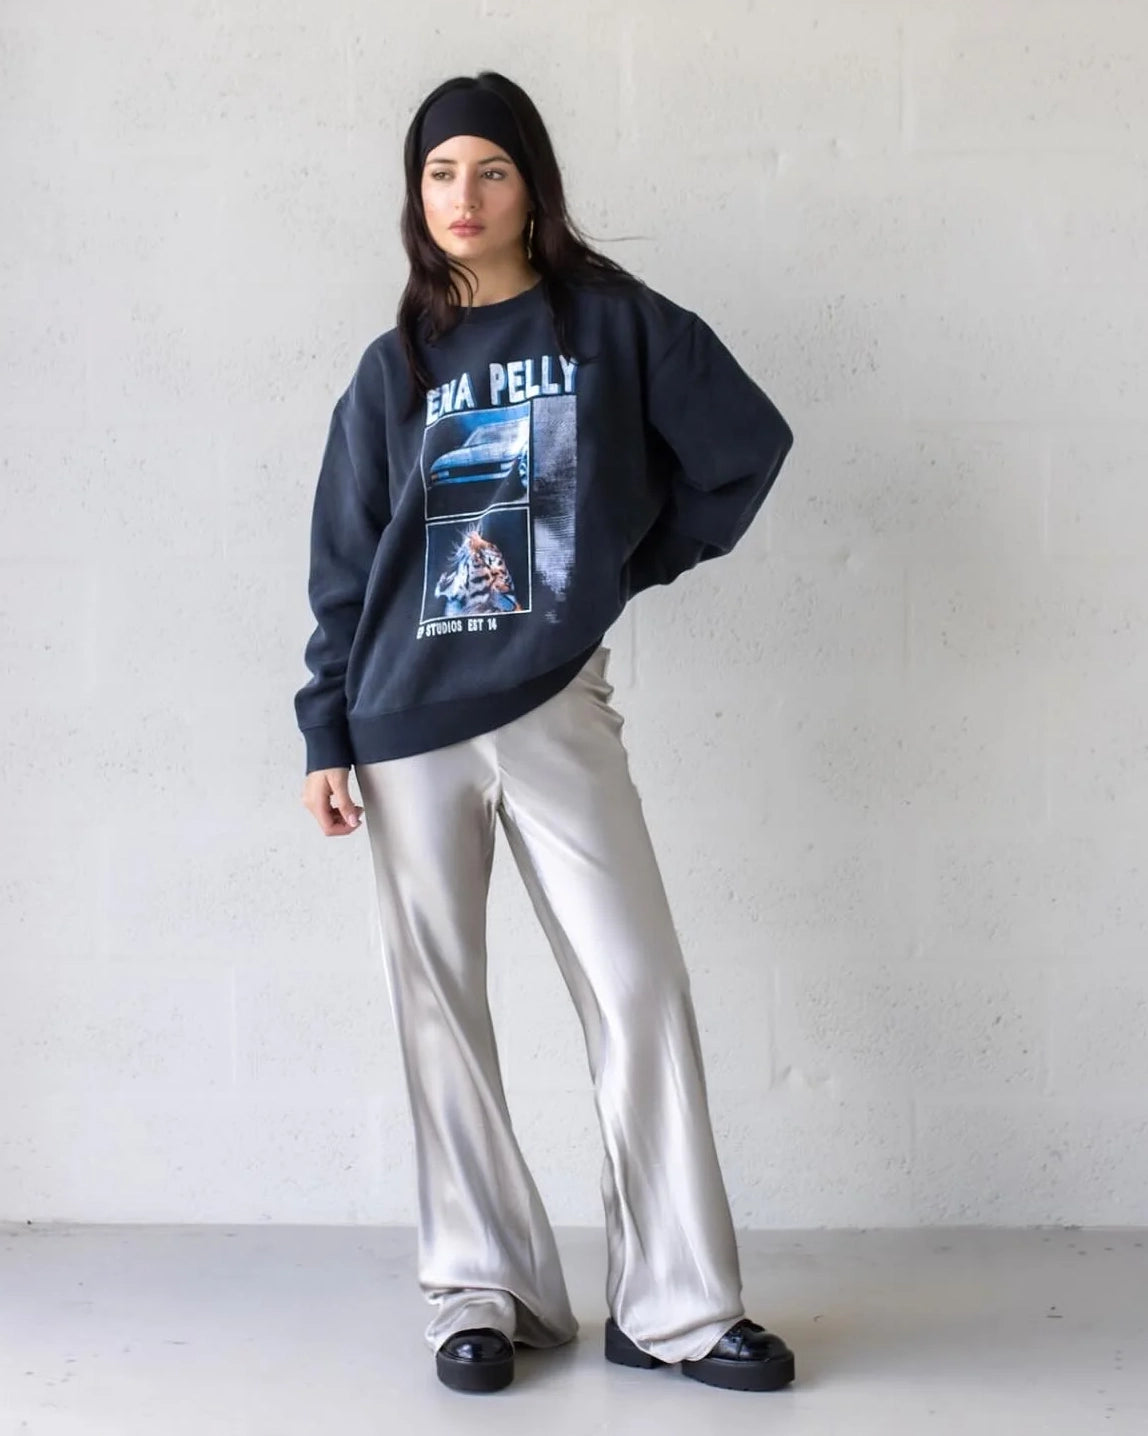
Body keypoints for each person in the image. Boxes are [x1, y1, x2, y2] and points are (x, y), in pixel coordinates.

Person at [294, 70, 796, 1396]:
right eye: (439, 173)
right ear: (416, 195)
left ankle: (678, 1307)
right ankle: (480, 1290)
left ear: (533, 187)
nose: (463, 197)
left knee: (639, 987)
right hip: (403, 720)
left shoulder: (613, 326)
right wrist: (325, 731)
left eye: (491, 170)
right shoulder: (393, 367)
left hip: (554, 702)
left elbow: (743, 447)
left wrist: (620, 569)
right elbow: (346, 569)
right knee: (439, 1010)